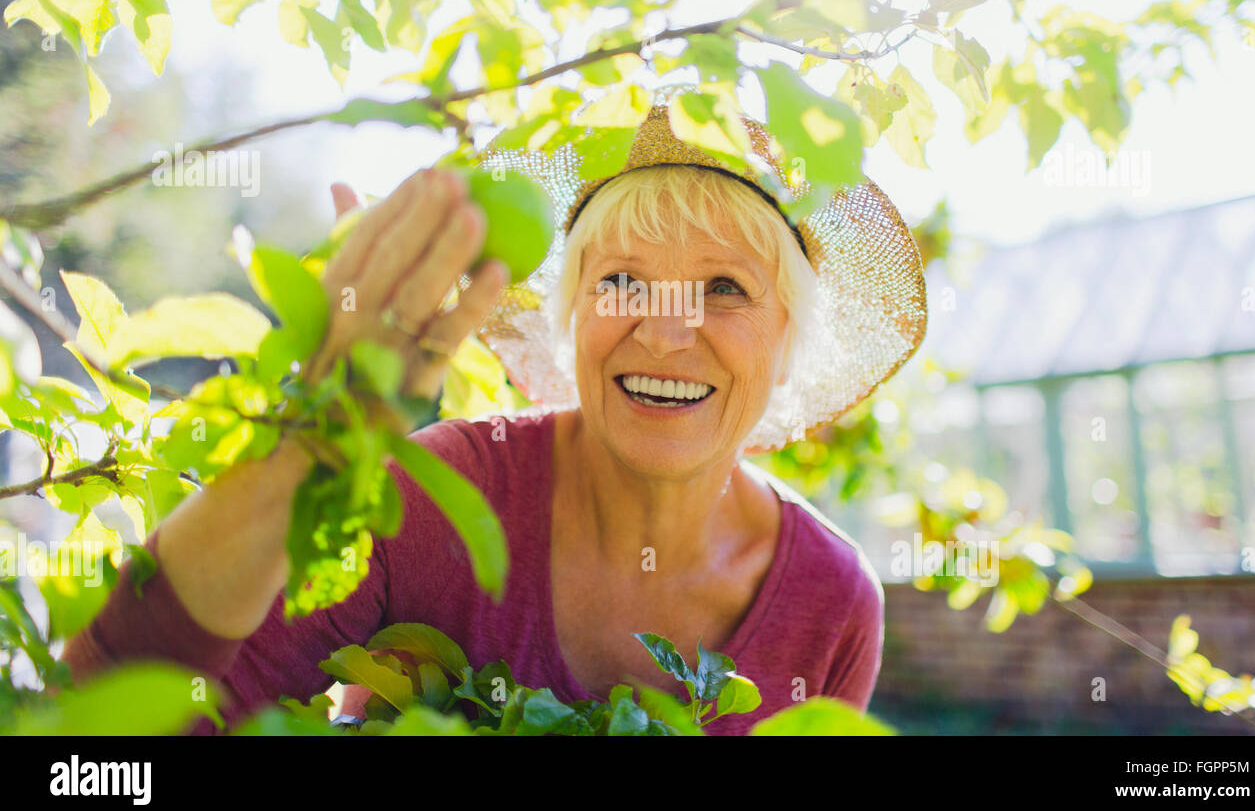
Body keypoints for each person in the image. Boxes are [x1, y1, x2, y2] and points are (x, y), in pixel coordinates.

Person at [63, 100, 928, 735]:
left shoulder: (831, 602)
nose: (665, 332)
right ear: (573, 316)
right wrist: (304, 447)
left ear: (788, 344)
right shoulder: (431, 501)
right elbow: (108, 728)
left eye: (726, 288)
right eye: (622, 279)